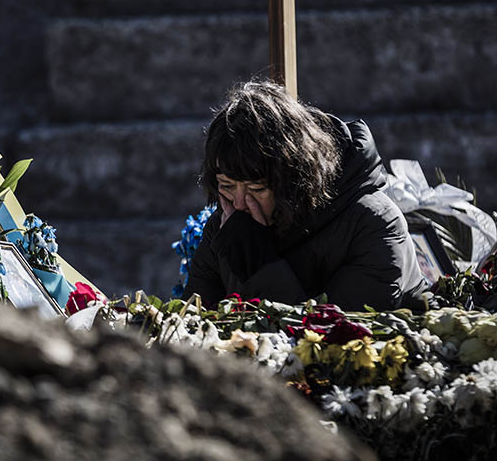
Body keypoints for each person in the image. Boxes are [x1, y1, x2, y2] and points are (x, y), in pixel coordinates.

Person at [183, 79, 426, 311]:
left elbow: (331, 335)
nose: (239, 203)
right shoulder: (230, 223)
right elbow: (193, 318)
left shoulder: (373, 223)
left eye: (257, 189)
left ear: (293, 179)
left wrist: (257, 262)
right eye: (226, 186)